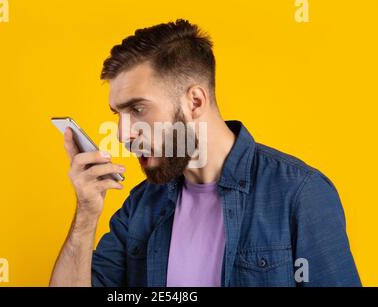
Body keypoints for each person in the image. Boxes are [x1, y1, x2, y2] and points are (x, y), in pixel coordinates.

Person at [49, 19, 361, 287]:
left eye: (138, 108)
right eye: (118, 114)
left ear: (195, 102)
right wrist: (86, 216)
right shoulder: (140, 206)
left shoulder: (300, 194)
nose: (123, 133)